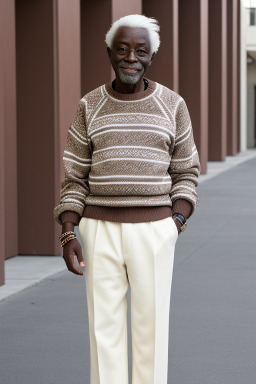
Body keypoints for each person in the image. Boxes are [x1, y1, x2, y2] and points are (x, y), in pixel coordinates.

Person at [54, 14, 200, 384]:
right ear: (109, 52)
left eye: (140, 50)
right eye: (122, 49)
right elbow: (73, 176)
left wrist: (175, 223)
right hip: (100, 229)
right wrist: (69, 232)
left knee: (151, 331)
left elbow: (187, 172)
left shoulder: (172, 104)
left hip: (154, 230)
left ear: (152, 56)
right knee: (103, 333)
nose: (131, 57)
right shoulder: (90, 106)